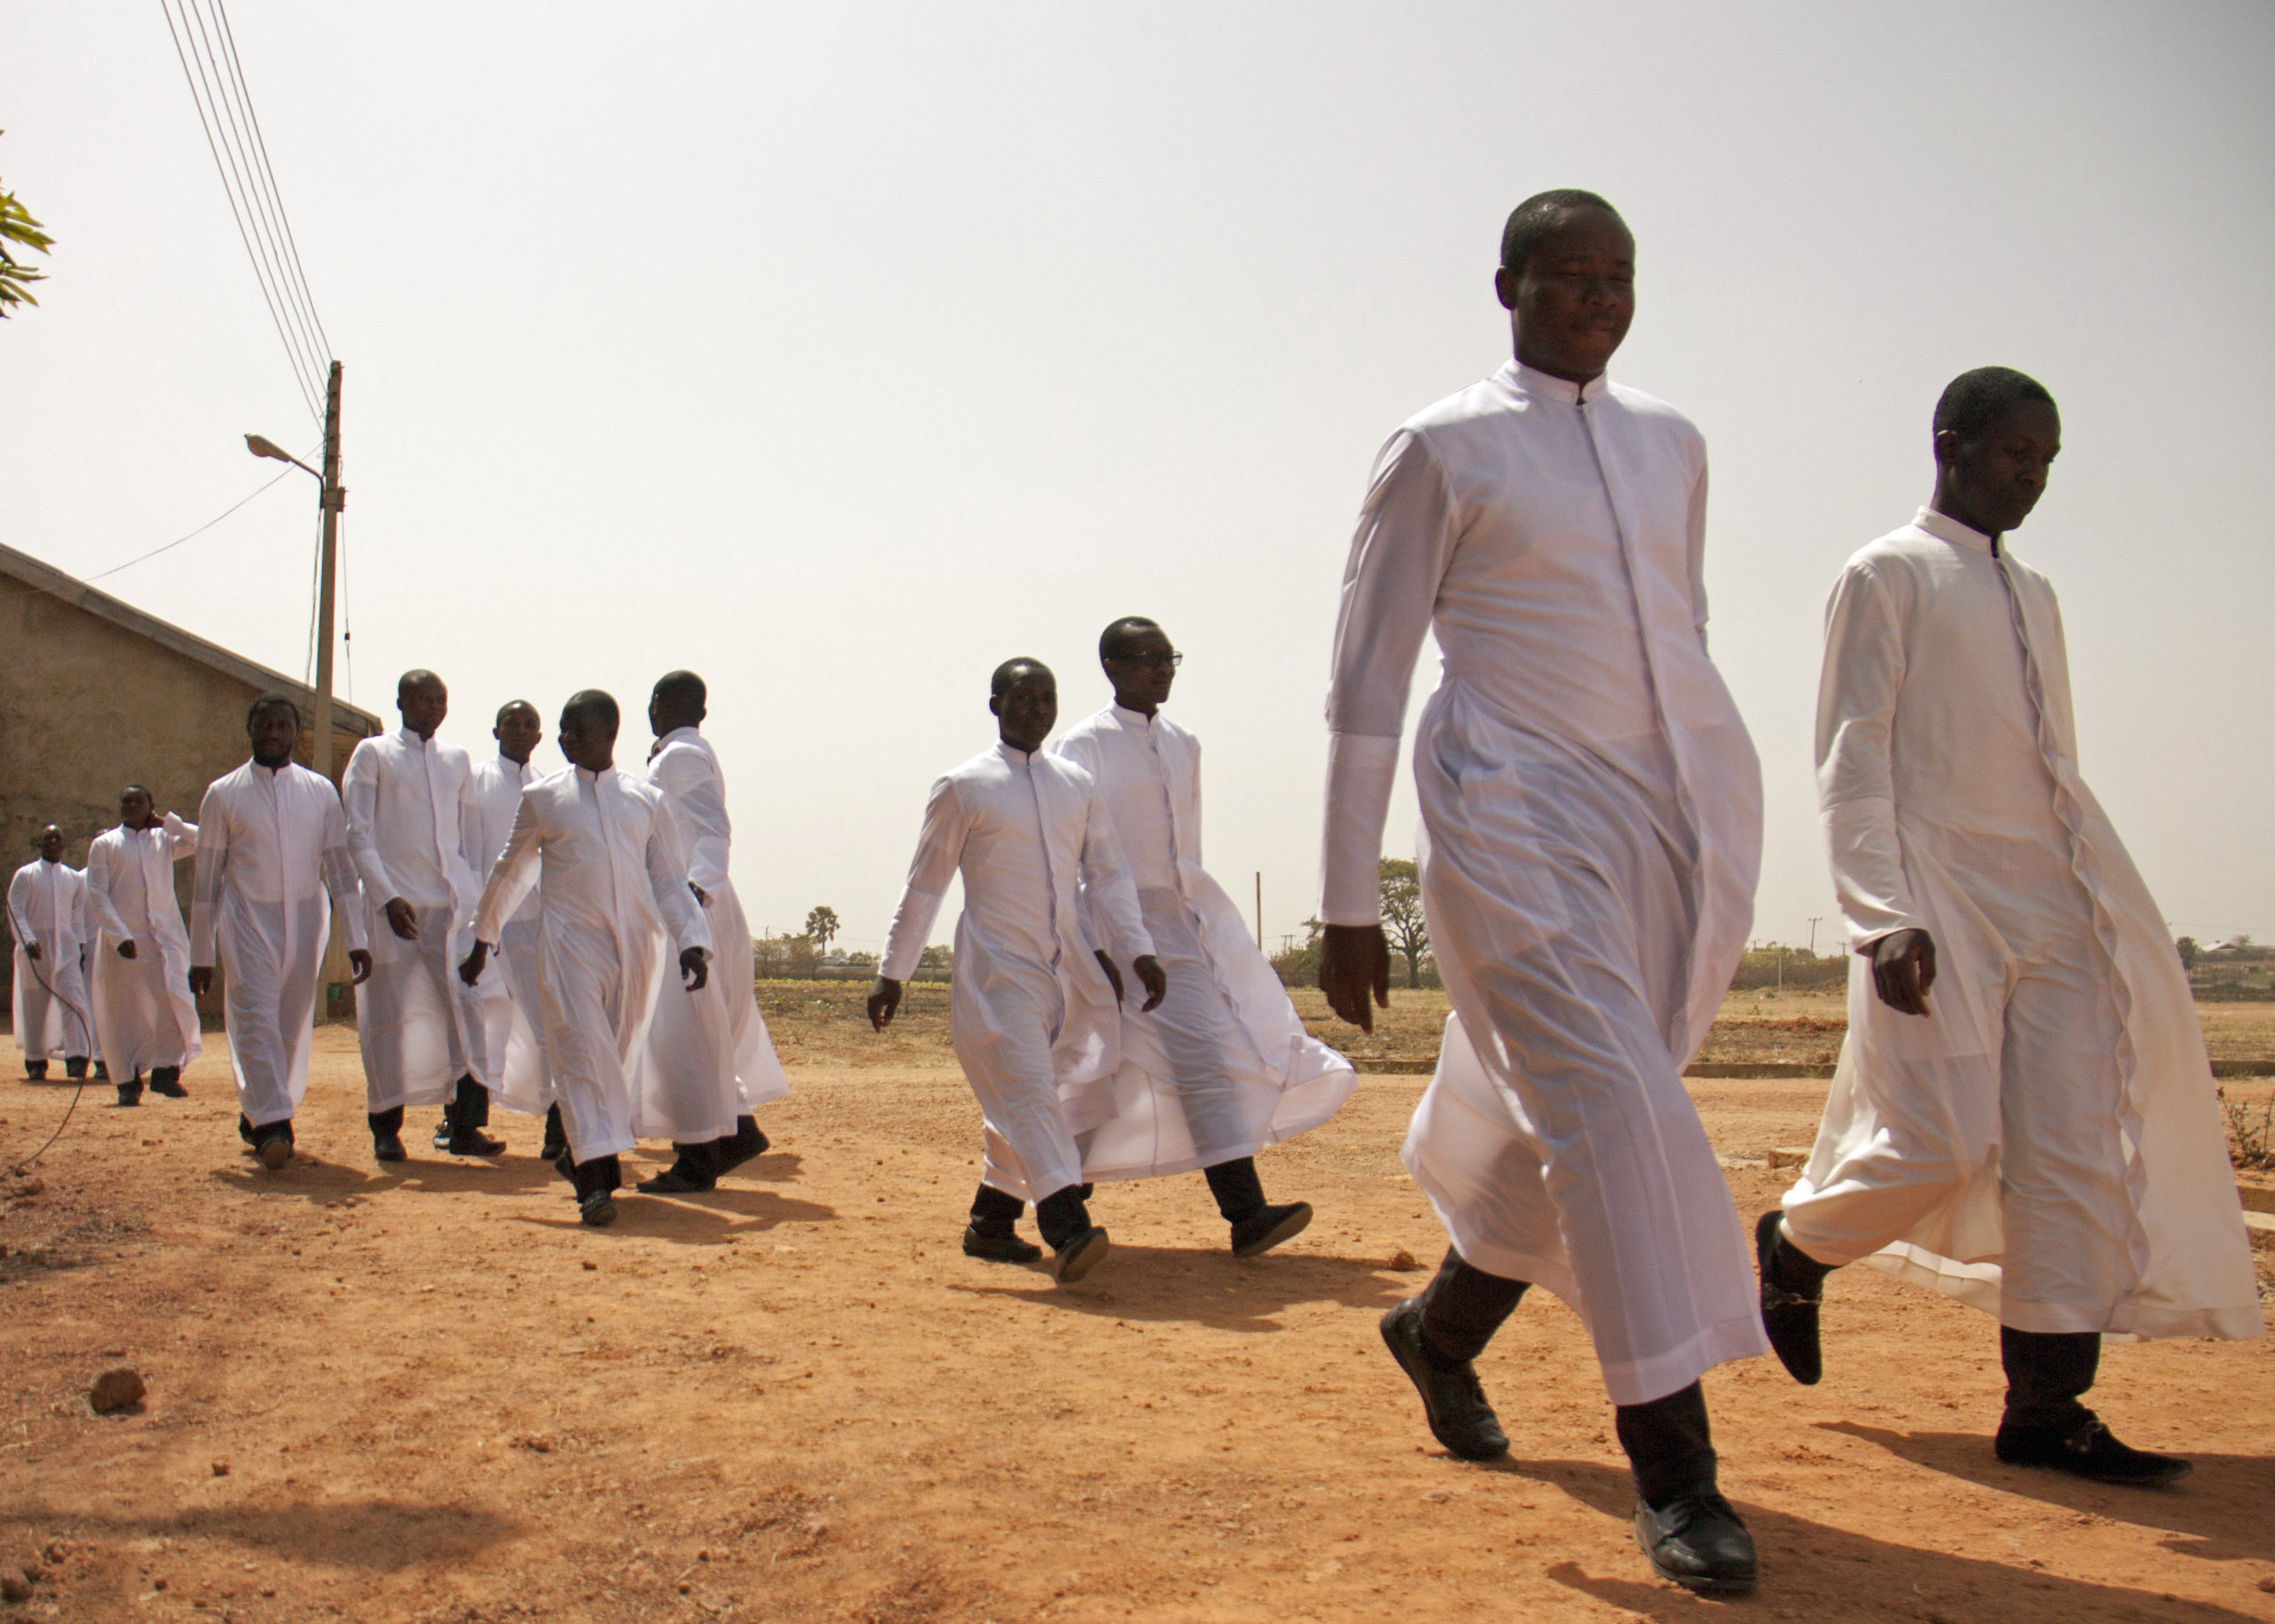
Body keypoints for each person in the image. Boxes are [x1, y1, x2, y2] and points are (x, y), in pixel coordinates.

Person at [1317, 191, 1765, 1595]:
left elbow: (1681, 630)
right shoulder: (1443, 447)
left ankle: (1440, 1331)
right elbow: (1368, 679)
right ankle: (1676, 1470)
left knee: (1564, 1105)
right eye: (1568, 275)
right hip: (1504, 809)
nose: (1596, 298)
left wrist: (1709, 809)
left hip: (1657, 821)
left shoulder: (1674, 442)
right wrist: (1346, 895)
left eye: (1617, 276)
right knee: (1618, 1109)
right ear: (1506, 286)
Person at [1758, 367, 2263, 1484]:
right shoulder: (1886, 572)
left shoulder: (2034, 592)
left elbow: (2051, 758)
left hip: (2058, 899)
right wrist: (1881, 914)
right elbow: (1851, 748)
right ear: (1950, 444)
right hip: (1937, 898)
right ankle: (1793, 1247)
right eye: (2013, 453)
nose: (2031, 477)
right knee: (1936, 1138)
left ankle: (2046, 1408)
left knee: (2073, 1151)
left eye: (2046, 461)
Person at [1052, 617, 1356, 1255]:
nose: (1163, 669)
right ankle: (1034, 1206)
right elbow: (1070, 853)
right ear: (1112, 667)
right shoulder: (1083, 745)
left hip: (1178, 926)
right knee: (1096, 1064)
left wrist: (1198, 923)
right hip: (1108, 927)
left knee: (1201, 1056)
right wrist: (1091, 946)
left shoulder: (1184, 743)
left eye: (1171, 658)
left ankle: (1240, 1213)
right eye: (1149, 658)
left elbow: (1186, 850)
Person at [869, 658, 1163, 1284]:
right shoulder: (963, 787)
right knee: (1028, 1093)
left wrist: (1137, 951)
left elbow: (1107, 875)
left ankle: (992, 1223)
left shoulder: (1077, 784)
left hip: (1071, 976)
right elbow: (926, 885)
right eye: (1024, 697)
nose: (1037, 708)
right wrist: (893, 971)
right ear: (995, 704)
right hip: (997, 976)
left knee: (1035, 1096)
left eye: (1047, 697)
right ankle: (1066, 1225)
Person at [461, 689, 714, 1228]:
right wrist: (483, 936)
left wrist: (692, 939)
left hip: (635, 951)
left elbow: (669, 879)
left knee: (612, 1061)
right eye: (562, 729)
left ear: (609, 734)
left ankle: (577, 1152)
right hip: (568, 950)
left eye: (576, 729)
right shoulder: (543, 797)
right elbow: (510, 870)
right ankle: (595, 1182)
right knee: (580, 1056)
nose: (564, 739)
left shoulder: (646, 800)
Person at [189, 693, 372, 1169]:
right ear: (250, 729)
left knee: (289, 1026)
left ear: (295, 733)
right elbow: (207, 881)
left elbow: (340, 868)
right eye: (264, 724)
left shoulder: (320, 791)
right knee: (254, 1017)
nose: (272, 732)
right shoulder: (223, 794)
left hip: (307, 921)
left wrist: (357, 938)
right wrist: (200, 952)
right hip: (247, 921)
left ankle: (259, 1112)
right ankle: (274, 1124)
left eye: (281, 725)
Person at [631, 671, 787, 1193]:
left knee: (683, 1033)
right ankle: (734, 1130)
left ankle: (698, 1156)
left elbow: (714, 828)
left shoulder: (681, 756)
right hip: (685, 904)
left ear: (659, 705)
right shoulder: (682, 753)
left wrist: (694, 894)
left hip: (689, 908)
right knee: (691, 1030)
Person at [342, 670, 496, 1163]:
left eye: (440, 700)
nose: (433, 707)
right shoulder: (373, 754)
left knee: (465, 1016)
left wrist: (478, 908)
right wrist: (386, 897)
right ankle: (386, 1129)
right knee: (387, 1018)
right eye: (423, 699)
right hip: (395, 911)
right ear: (401, 702)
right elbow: (358, 834)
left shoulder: (456, 759)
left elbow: (470, 840)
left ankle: (464, 1126)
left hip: (450, 911)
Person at [457, 699, 563, 1160]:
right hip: (482, 921)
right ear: (496, 731)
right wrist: (477, 919)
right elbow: (465, 850)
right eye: (511, 723)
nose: (520, 730)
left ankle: (559, 1128)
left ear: (539, 737)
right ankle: (462, 1125)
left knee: (548, 1022)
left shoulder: (549, 786)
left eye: (529, 725)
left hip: (535, 921)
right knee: (479, 1019)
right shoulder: (475, 781)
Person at [84, 786, 202, 1106]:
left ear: (151, 806)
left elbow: (204, 841)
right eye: (126, 801)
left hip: (164, 940)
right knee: (123, 1010)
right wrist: (119, 935)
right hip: (124, 943)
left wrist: (168, 823)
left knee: (174, 1000)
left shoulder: (163, 840)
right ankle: (127, 1080)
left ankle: (166, 1070)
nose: (132, 805)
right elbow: (97, 893)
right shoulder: (105, 844)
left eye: (140, 801)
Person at [9, 825, 95, 1087]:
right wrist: (27, 940)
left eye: (58, 838)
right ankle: (36, 1061)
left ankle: (77, 1057)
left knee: (75, 1002)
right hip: (36, 951)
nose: (53, 842)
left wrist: (80, 946)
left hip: (67, 951)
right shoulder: (25, 875)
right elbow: (16, 910)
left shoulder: (73, 878)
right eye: (48, 838)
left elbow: (77, 915)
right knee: (35, 1006)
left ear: (64, 845)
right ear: (40, 844)